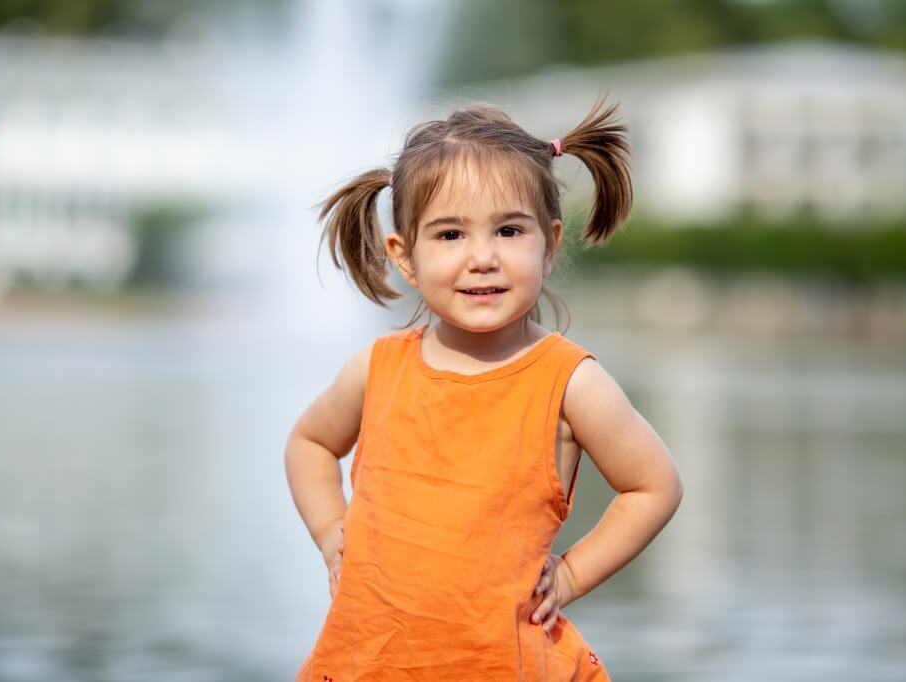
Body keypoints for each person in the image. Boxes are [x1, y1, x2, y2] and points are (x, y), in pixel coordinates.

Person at [284, 98, 684, 681]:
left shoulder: (568, 381)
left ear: (548, 246)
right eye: (450, 233)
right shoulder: (377, 368)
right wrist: (329, 531)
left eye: (508, 230)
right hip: (369, 660)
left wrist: (571, 574)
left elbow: (654, 486)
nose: (482, 258)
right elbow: (310, 443)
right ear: (405, 258)